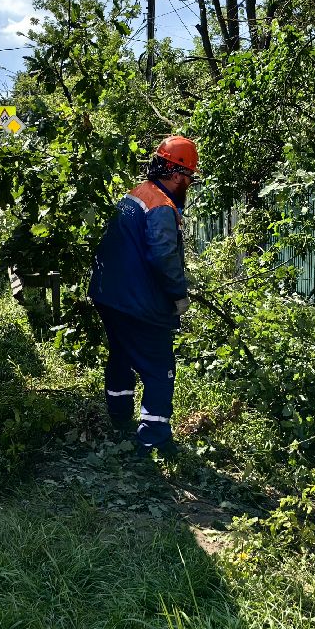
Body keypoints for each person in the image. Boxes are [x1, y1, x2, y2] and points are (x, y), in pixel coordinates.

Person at [88, 136, 197, 457]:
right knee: (159, 365)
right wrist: (179, 296)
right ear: (177, 175)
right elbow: (164, 257)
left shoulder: (136, 194)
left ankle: (119, 419)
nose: (188, 185)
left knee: (121, 355)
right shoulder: (162, 207)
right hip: (137, 301)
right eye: (189, 178)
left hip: (108, 295)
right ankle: (155, 438)